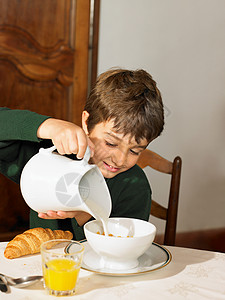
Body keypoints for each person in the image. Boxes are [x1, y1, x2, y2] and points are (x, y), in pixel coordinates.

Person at [0, 68, 164, 240]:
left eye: (134, 151)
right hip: (45, 263)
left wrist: (82, 213)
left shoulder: (134, 186)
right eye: (110, 143)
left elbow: (124, 250)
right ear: (86, 122)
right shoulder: (50, 156)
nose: (120, 159)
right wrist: (48, 126)